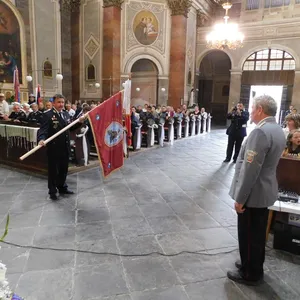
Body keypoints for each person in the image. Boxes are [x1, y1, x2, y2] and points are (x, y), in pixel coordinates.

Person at [227, 95, 286, 286]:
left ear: (260, 109)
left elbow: (250, 170)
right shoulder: (276, 129)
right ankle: (252, 263)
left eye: (252, 108)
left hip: (253, 193)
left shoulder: (259, 133)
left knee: (249, 234)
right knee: (258, 233)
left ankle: (250, 273)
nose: (250, 112)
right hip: (265, 189)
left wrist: (240, 199)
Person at [37, 94, 85, 200]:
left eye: (62, 102)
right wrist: (41, 139)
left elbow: (70, 128)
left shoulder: (66, 114)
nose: (61, 104)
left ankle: (62, 187)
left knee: (64, 169)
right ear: (53, 103)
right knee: (53, 170)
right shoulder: (48, 115)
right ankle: (52, 191)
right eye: (59, 102)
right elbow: (43, 130)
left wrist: (79, 122)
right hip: (54, 148)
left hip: (65, 146)